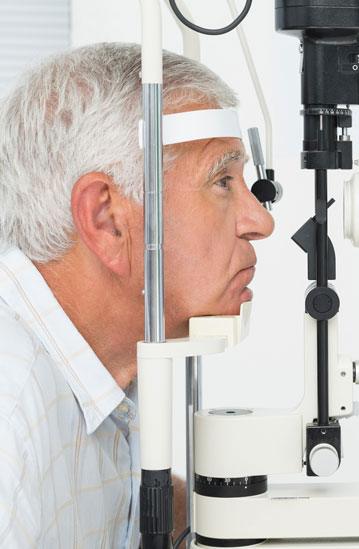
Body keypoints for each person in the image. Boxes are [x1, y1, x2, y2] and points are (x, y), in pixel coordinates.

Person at [0, 43, 273, 547]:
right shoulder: (10, 416)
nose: (261, 221)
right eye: (221, 181)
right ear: (107, 220)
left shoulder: (112, 371)